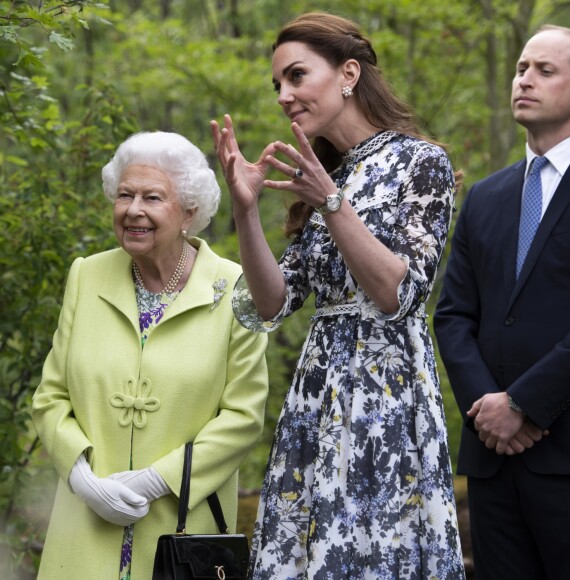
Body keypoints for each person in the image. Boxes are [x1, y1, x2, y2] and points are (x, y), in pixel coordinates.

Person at [211, 12, 464, 579]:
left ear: (349, 73)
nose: (284, 95)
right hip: (316, 395)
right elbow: (272, 303)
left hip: (385, 402)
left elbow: (397, 292)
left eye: (296, 76)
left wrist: (332, 203)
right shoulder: (325, 175)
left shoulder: (421, 163)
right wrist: (245, 210)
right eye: (277, 84)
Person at [31, 131, 269, 579]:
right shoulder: (86, 275)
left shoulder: (236, 287)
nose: (133, 210)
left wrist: (155, 480)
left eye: (152, 197)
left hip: (179, 536)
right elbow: (50, 397)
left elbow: (243, 416)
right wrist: (83, 478)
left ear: (189, 212)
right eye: (124, 195)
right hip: (85, 526)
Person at [434, 24, 570, 580]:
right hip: (492, 463)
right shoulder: (486, 196)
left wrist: (524, 403)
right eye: (521, 68)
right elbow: (453, 315)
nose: (525, 79)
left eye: (545, 70)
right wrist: (489, 410)